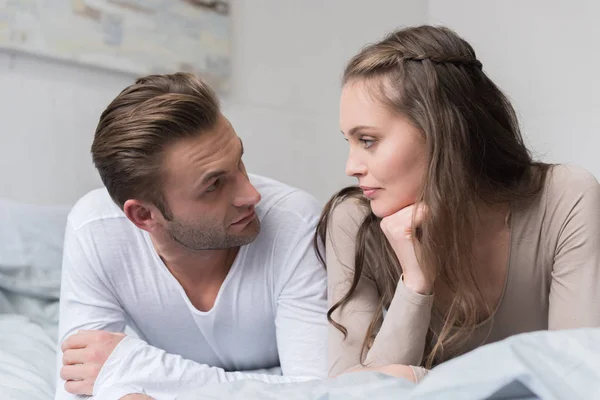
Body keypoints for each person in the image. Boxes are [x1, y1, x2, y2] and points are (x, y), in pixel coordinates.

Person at [316, 25, 600, 382]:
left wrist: (418, 378)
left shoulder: (564, 198)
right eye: (350, 141)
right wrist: (416, 283)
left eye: (368, 140)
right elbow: (348, 389)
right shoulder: (353, 222)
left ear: (441, 132)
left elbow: (578, 375)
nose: (351, 167)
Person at [55, 73, 328, 400]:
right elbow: (77, 388)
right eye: (213, 185)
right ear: (144, 216)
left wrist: (139, 366)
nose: (250, 194)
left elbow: (320, 392)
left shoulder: (296, 222)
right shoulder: (96, 230)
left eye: (239, 162)